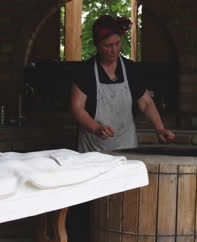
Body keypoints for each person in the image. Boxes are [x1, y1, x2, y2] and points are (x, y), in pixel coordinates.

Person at [71, 15, 175, 153]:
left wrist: (159, 128)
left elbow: (146, 103)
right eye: (108, 45)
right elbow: (76, 108)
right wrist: (96, 128)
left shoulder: (131, 69)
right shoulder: (85, 71)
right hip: (93, 149)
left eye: (117, 43)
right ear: (97, 44)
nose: (114, 50)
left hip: (126, 146)